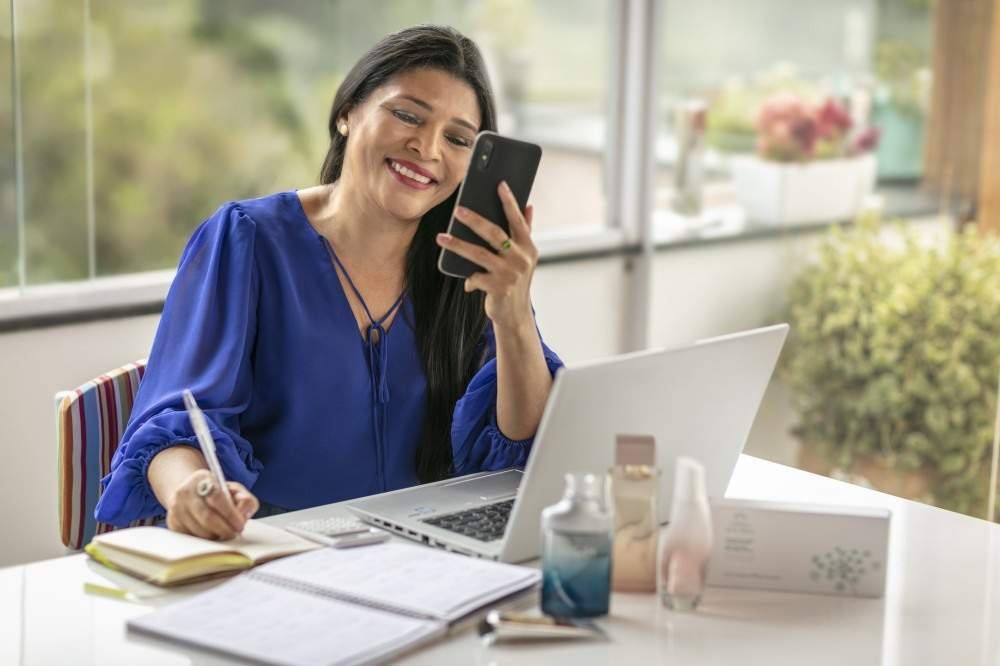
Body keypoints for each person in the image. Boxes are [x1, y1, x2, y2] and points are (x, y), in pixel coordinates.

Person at [94, 25, 563, 540]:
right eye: (407, 115)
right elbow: (176, 424)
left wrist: (513, 313)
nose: (427, 148)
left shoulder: (473, 268)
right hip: (282, 555)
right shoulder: (246, 240)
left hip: (428, 558)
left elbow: (520, 448)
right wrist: (193, 491)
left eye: (457, 139)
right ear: (347, 113)